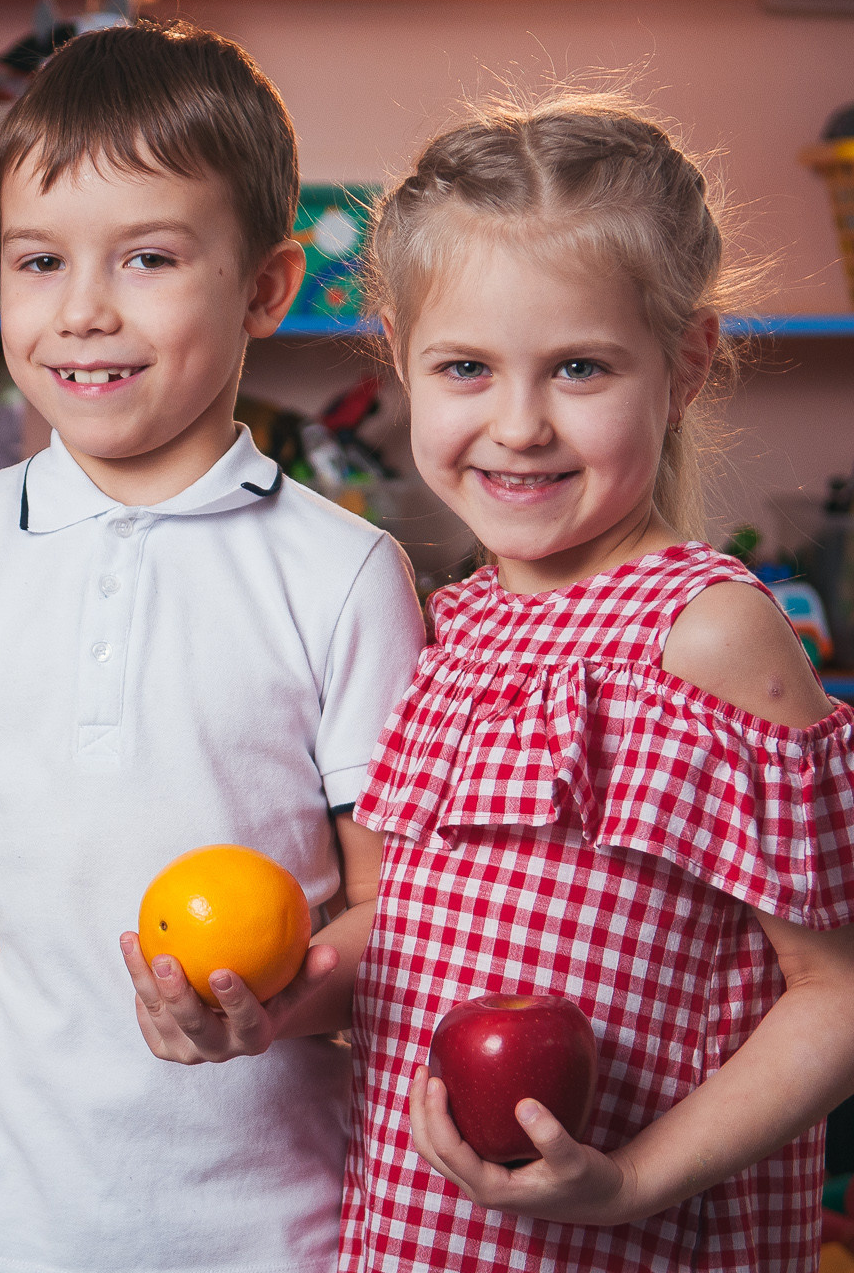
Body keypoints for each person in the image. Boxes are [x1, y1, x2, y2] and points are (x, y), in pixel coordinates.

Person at [0, 20, 426, 1273]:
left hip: (273, 1233)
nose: (79, 312)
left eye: (145, 257)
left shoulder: (345, 573)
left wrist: (273, 1011)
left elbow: (400, 918)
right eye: (37, 261)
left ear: (264, 284)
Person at [341, 92, 854, 1271]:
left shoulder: (707, 633)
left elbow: (831, 993)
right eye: (464, 367)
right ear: (399, 363)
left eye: (577, 366)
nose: (516, 425)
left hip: (635, 1243)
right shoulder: (453, 626)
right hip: (418, 1242)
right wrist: (265, 1004)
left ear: (683, 365)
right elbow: (408, 948)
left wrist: (627, 1183)